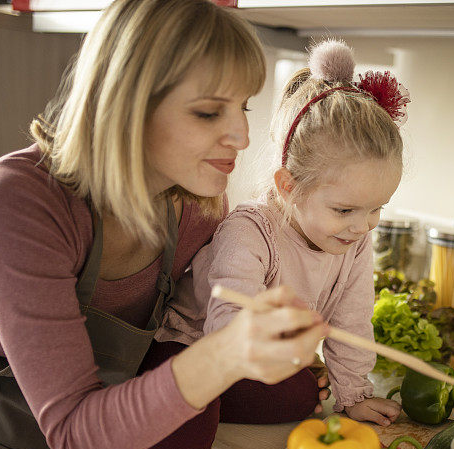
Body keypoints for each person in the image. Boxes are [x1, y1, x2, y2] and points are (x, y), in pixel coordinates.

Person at [0, 1, 328, 449]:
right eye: (207, 112)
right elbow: (79, 436)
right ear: (125, 104)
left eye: (243, 107)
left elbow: (165, 357)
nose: (241, 137)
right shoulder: (16, 204)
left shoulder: (197, 207)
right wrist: (226, 353)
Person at [157, 39, 410, 425]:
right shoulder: (250, 231)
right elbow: (229, 328)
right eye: (344, 210)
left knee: (301, 393)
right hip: (192, 346)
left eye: (377, 209)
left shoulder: (353, 240)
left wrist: (354, 394)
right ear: (289, 185)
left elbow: (352, 323)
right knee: (290, 396)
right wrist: (292, 354)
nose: (362, 226)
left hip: (258, 356)